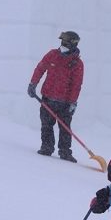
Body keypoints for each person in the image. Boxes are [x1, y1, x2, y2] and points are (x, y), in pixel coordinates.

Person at [28, 30, 84, 162]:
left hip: (65, 103)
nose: (62, 44)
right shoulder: (52, 54)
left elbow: (76, 85)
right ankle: (46, 147)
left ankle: (65, 152)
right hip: (47, 98)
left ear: (73, 45)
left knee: (65, 128)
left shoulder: (77, 64)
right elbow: (40, 68)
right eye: (62, 41)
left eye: (66, 42)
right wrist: (33, 84)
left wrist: (72, 103)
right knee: (46, 125)